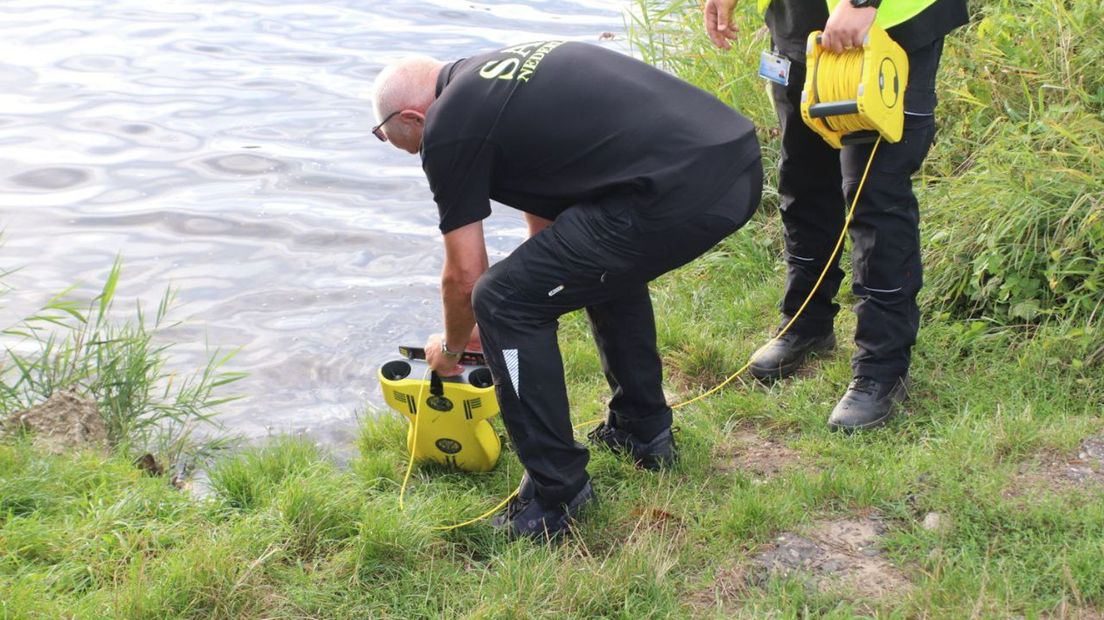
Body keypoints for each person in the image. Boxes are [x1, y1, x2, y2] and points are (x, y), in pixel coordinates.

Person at [372, 41, 762, 539]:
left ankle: (558, 496)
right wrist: (537, 289)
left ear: (411, 116)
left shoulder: (447, 127)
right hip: (732, 162)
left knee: (500, 299)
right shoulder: (493, 77)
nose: (403, 150)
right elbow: (554, 208)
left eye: (391, 139)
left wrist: (452, 348)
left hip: (682, 192)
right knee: (590, 262)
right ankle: (641, 431)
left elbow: (465, 275)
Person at [704, 0, 967, 430]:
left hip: (884, 25)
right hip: (799, 24)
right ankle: (805, 323)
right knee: (803, 180)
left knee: (875, 197)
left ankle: (881, 369)